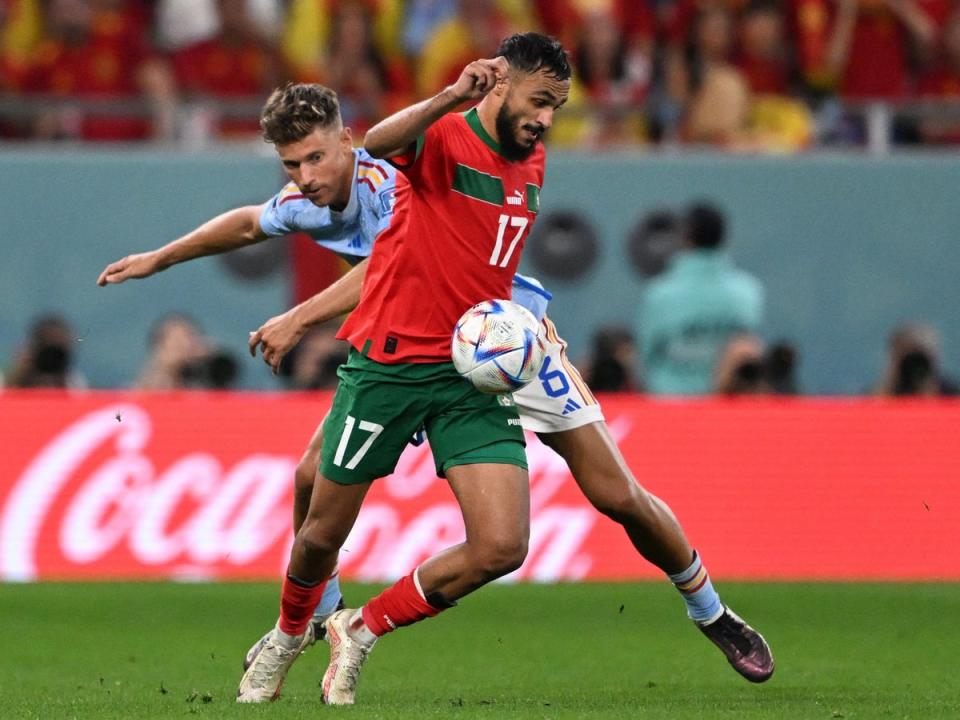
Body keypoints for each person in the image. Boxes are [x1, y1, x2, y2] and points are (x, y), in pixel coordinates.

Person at [239, 36, 771, 705]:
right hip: (402, 355)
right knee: (317, 517)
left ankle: (711, 612)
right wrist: (453, 95)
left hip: (494, 355)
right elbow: (380, 142)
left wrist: (526, 326)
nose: (548, 117)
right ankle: (291, 634)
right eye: (539, 101)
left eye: (557, 105)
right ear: (498, 89)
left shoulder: (534, 156)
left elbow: (486, 260)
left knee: (610, 497)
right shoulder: (438, 139)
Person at [638, 202, 765, 395]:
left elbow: (645, 360)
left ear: (685, 238)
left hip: (667, 409)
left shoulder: (659, 295)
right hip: (728, 413)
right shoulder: (749, 292)